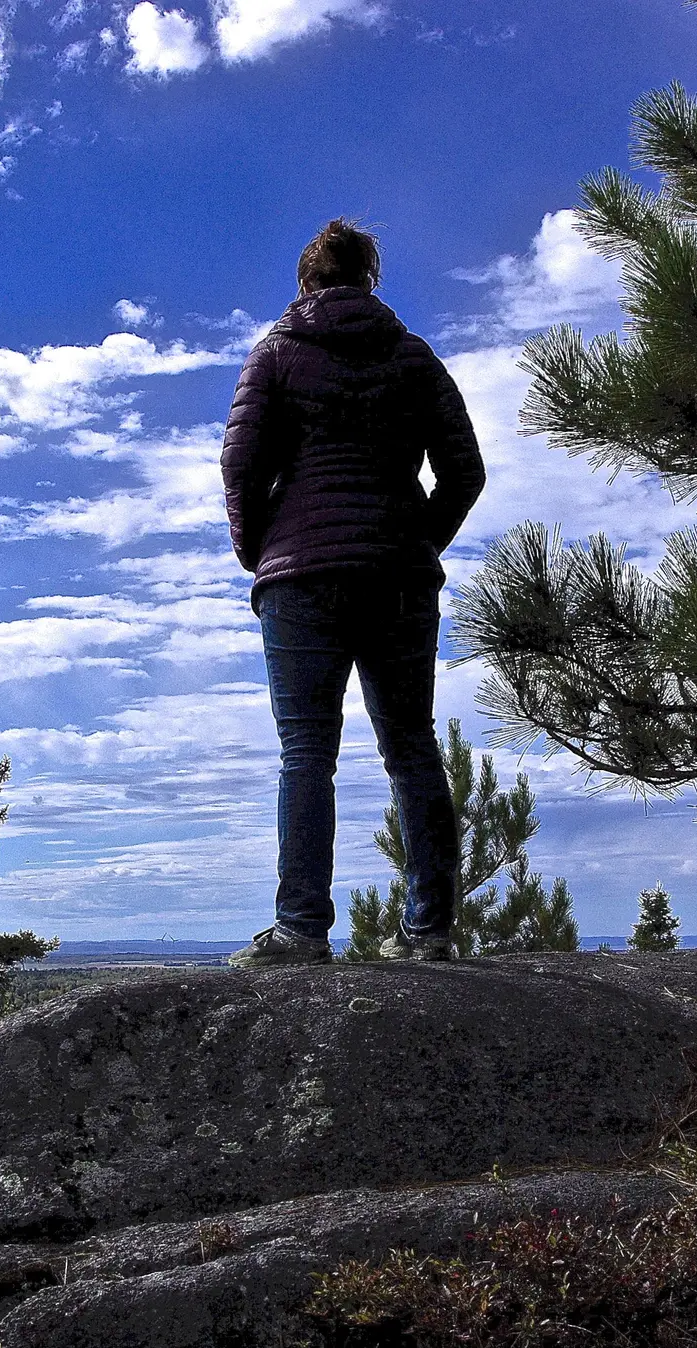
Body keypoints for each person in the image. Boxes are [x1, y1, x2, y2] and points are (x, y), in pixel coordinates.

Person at [222, 218, 486, 968]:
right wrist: (413, 542)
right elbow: (465, 471)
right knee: (412, 746)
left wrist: (259, 550)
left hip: (301, 578)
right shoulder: (413, 357)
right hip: (398, 576)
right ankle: (429, 931)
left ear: (306, 283)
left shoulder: (276, 353)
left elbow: (239, 465)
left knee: (307, 753)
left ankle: (301, 930)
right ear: (370, 280)